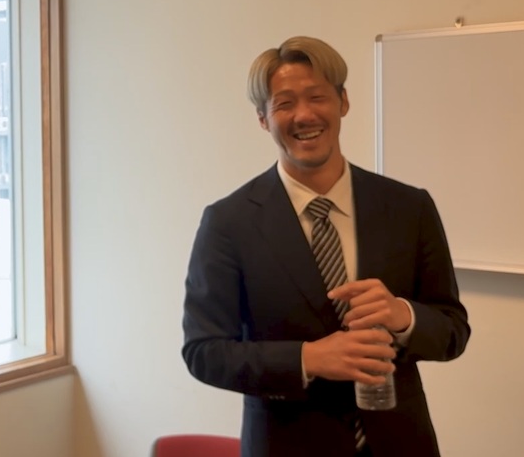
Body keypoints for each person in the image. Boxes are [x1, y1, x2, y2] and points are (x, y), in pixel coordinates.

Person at [181, 36, 469, 457]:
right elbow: (203, 352)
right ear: (263, 118)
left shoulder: (409, 207)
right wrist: (309, 358)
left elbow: (453, 330)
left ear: (343, 102)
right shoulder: (228, 222)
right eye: (284, 104)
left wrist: (402, 316)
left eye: (317, 97)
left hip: (403, 444)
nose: (304, 115)